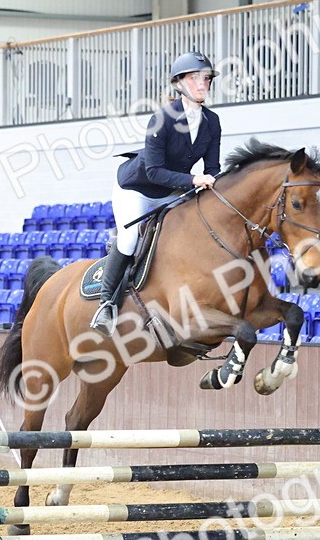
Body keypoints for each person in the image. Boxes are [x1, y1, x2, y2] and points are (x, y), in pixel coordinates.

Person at [89, 50, 223, 336]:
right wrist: (194, 179)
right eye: (194, 78)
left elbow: (213, 168)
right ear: (179, 84)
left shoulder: (212, 121)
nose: (202, 84)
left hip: (174, 189)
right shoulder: (162, 118)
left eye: (206, 78)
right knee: (128, 239)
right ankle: (106, 303)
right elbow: (153, 172)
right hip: (138, 188)